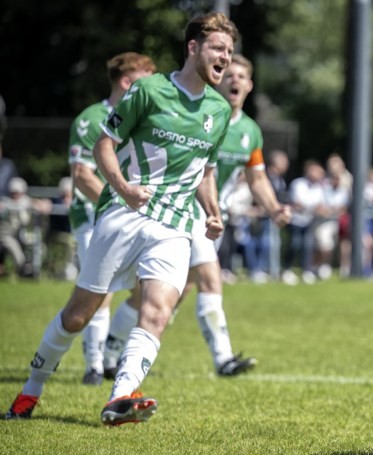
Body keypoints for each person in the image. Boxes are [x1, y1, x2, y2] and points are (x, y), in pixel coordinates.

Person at [5, 12, 240, 425]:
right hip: (123, 214)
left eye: (230, 52)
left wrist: (214, 212)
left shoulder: (219, 111)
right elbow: (104, 147)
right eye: (219, 49)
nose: (226, 57)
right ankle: (30, 391)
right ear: (193, 48)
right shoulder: (149, 91)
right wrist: (124, 188)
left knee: (159, 311)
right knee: (78, 315)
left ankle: (119, 396)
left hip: (173, 225)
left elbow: (205, 171)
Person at [102, 54, 292, 378]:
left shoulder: (250, 132)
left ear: (249, 85)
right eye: (229, 74)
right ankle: (223, 359)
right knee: (210, 278)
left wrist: (274, 208)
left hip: (212, 220)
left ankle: (113, 347)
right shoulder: (202, 113)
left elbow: (257, 178)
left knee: (170, 292)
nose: (234, 80)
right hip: (184, 211)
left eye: (241, 76)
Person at [66, 52, 157, 385]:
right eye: (148, 76)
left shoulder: (148, 117)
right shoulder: (91, 118)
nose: (156, 83)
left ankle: (109, 353)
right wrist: (120, 200)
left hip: (133, 216)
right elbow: (82, 175)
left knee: (143, 287)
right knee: (99, 289)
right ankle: (93, 365)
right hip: (93, 216)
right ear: (127, 81)